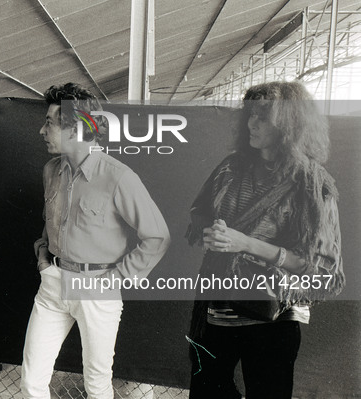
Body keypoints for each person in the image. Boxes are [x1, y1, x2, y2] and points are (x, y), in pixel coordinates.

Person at [185, 81, 345, 399]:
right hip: (219, 309)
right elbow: (199, 210)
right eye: (250, 115)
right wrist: (212, 231)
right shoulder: (232, 168)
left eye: (263, 117)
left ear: (289, 124)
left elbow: (319, 266)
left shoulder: (313, 185)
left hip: (274, 314)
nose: (251, 123)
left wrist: (246, 244)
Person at [20, 83, 170, 399]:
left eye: (49, 122)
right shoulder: (51, 170)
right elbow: (52, 218)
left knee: (97, 385)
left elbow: (157, 237)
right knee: (32, 382)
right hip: (52, 284)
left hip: (96, 288)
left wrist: (114, 279)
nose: (41, 130)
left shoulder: (118, 177)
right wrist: (44, 257)